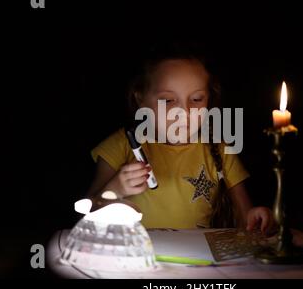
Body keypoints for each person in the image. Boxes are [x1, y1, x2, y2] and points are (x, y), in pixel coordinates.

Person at [87, 43, 272, 232]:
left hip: (199, 259)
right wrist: (115, 190)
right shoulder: (121, 146)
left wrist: (256, 218)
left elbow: (245, 218)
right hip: (134, 257)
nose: (184, 111)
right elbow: (86, 214)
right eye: (168, 100)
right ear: (140, 99)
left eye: (197, 99)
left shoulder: (220, 149)